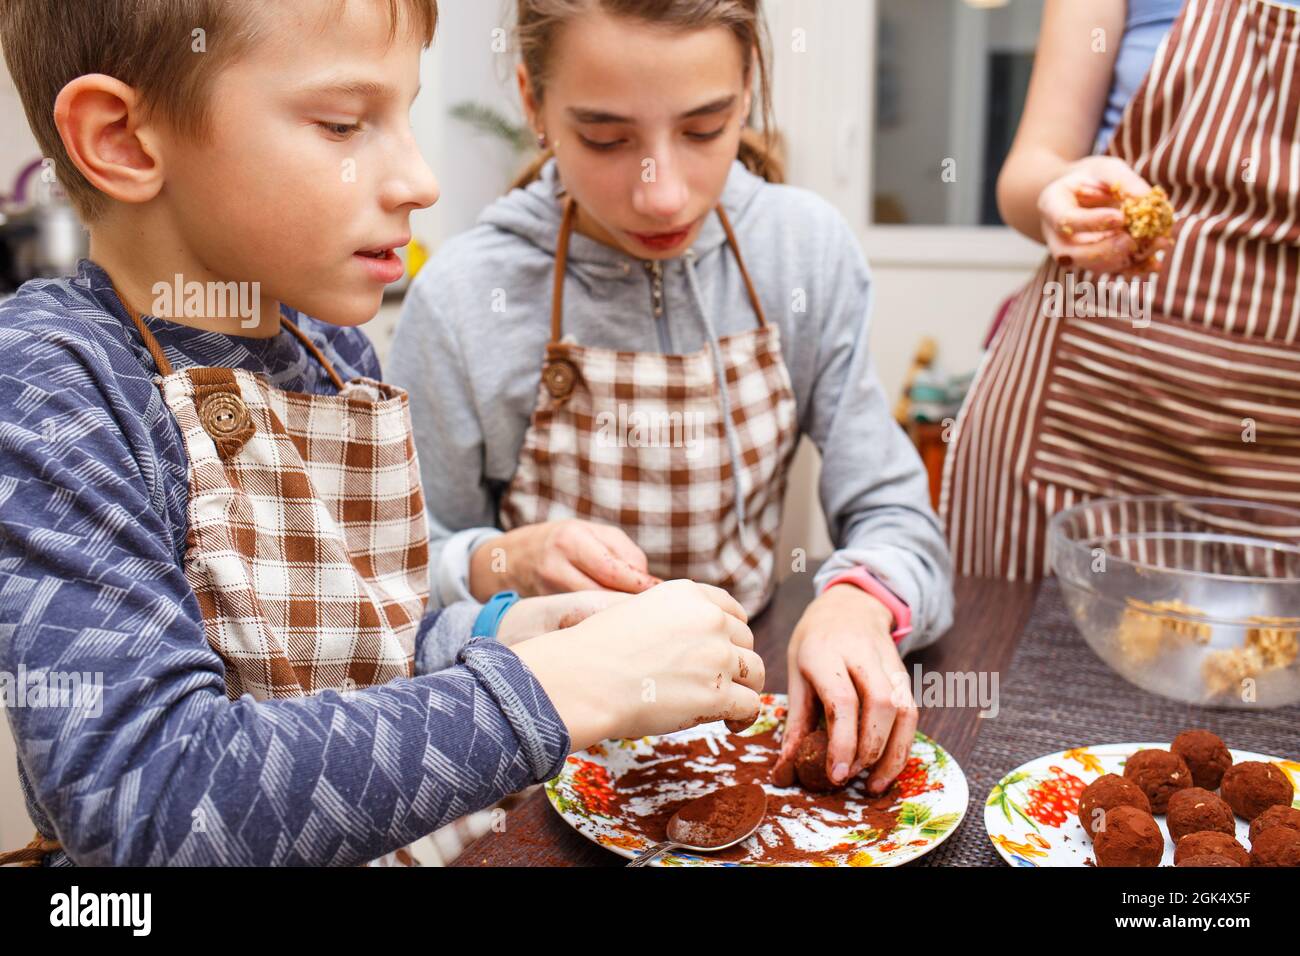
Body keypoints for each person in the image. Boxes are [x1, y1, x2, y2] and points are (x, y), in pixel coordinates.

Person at [0, 0, 762, 867]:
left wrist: (509, 634)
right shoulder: (52, 380)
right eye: (344, 124)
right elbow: (153, 800)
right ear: (124, 140)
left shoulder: (332, 354)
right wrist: (559, 688)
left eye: (406, 112)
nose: (420, 180)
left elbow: (355, 659)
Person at [389, 0, 953, 794]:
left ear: (748, 87)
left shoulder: (804, 253)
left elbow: (898, 513)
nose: (663, 196)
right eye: (607, 138)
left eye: (703, 128)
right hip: (534, 736)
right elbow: (397, 581)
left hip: (750, 722)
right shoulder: (464, 295)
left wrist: (859, 605)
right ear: (532, 101)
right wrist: (504, 559)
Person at [943, 0, 1300, 580]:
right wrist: (1063, 197)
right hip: (1081, 424)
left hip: (1280, 465)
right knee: (1021, 658)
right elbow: (1029, 169)